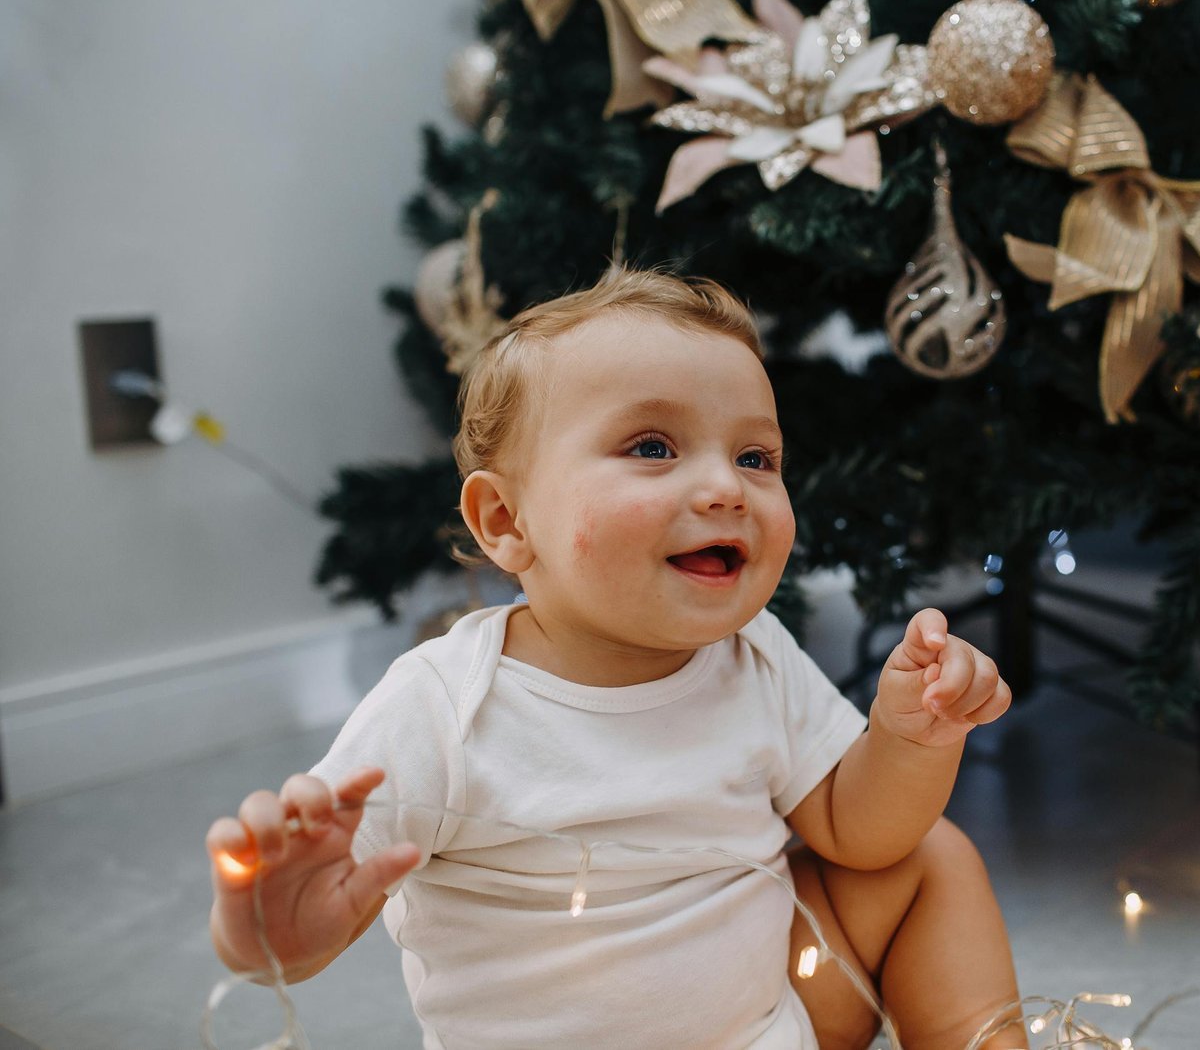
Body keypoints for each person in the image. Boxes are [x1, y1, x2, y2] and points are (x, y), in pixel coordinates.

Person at [206, 267, 1025, 1049]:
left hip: (772, 1025)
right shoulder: (445, 704)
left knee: (929, 857)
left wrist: (911, 735)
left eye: (755, 457)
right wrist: (277, 924)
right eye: (653, 447)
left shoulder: (754, 655)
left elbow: (861, 832)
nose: (726, 488)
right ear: (505, 520)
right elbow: (321, 919)